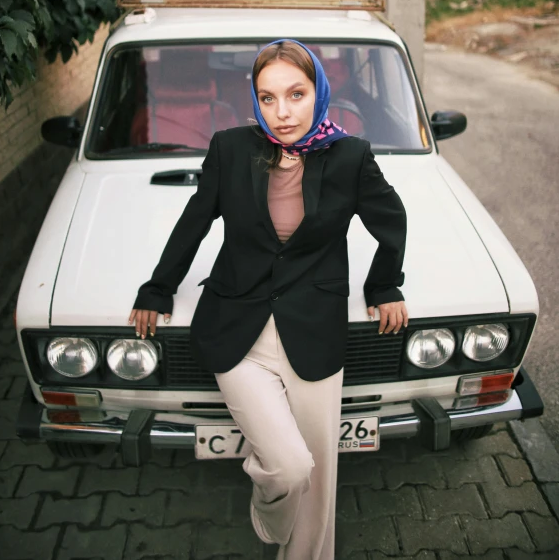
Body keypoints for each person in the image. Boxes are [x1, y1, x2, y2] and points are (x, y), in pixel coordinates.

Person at [129, 39, 409, 560]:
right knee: (289, 466)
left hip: (313, 330)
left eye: (296, 94)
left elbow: (391, 222)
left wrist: (384, 284)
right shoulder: (232, 148)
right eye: (267, 97)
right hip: (238, 329)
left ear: (318, 92)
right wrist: (158, 286)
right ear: (254, 100)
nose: (281, 112)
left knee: (319, 476)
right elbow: (195, 220)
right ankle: (268, 517)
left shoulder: (350, 156)